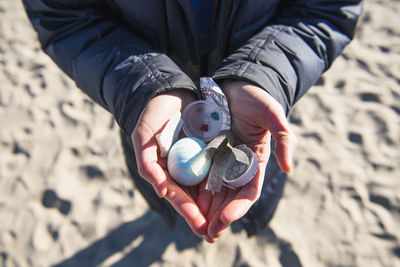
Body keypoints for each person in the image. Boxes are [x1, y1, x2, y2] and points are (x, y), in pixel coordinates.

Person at [22, 0, 363, 243]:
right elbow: (64, 16)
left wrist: (263, 77)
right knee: (168, 198)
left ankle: (234, 225)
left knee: (240, 203)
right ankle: (168, 220)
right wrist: (143, 87)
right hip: (149, 117)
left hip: (254, 119)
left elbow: (327, 8)